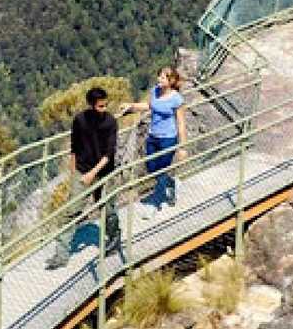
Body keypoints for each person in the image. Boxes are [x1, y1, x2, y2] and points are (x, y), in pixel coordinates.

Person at [46, 86, 121, 270]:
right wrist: (74, 171)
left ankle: (114, 238)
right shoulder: (80, 120)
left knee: (108, 209)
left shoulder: (110, 122)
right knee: (70, 212)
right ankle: (61, 255)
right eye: (100, 106)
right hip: (82, 170)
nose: (104, 109)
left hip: (103, 172)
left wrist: (92, 174)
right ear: (91, 105)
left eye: (106, 105)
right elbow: (74, 145)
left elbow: (108, 154)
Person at [121, 67, 187, 216]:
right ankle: (170, 183)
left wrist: (182, 147)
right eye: (159, 76)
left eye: (163, 78)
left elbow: (181, 123)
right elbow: (149, 106)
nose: (159, 80)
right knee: (152, 168)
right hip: (153, 136)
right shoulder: (155, 91)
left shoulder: (177, 99)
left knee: (162, 170)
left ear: (171, 81)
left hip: (168, 138)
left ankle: (155, 204)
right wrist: (131, 107)